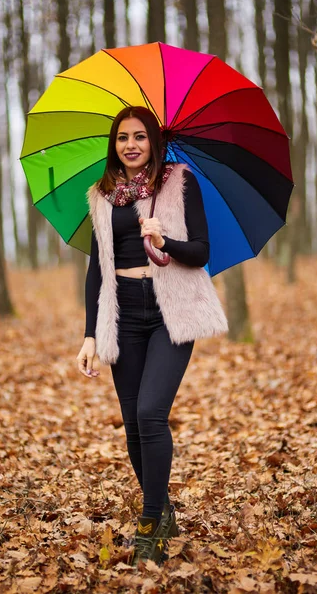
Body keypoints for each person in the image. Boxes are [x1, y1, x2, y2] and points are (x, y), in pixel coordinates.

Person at [76, 106, 228, 567]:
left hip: (171, 311)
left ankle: (149, 524)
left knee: (149, 413)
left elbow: (202, 250)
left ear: (154, 142)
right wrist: (88, 335)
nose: (131, 145)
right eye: (123, 137)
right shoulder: (102, 196)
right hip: (122, 315)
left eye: (140, 137)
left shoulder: (178, 183)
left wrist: (166, 244)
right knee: (132, 426)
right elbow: (95, 269)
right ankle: (163, 511)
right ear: (114, 144)